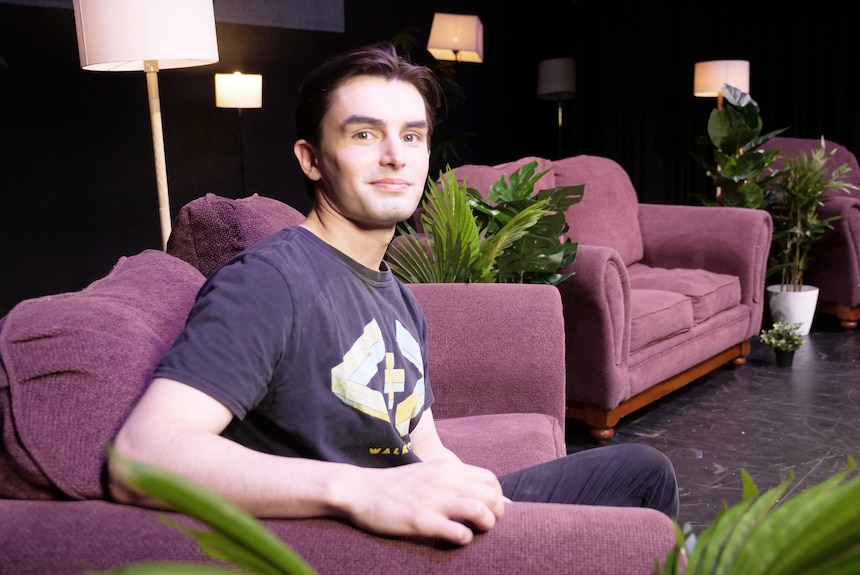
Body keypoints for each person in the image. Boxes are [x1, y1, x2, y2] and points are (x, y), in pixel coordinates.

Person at [109, 42, 678, 546]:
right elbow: (142, 457)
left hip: (419, 517)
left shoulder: (396, 297)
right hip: (362, 539)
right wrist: (363, 493)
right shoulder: (269, 280)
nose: (394, 155)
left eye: (411, 135)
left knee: (642, 471)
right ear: (310, 158)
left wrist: (473, 493)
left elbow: (423, 446)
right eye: (363, 134)